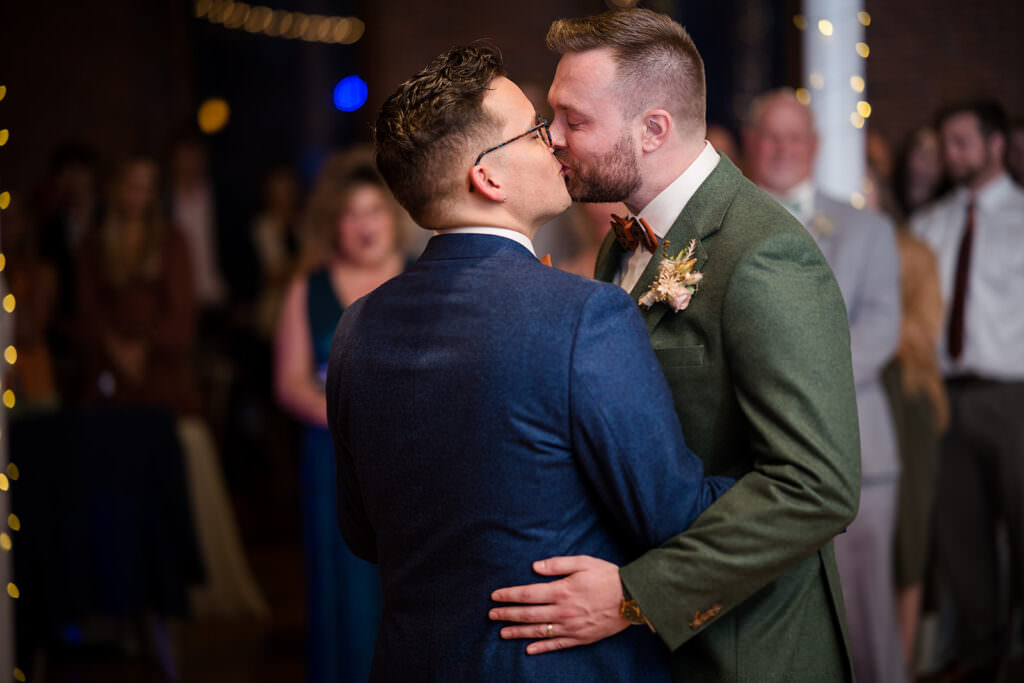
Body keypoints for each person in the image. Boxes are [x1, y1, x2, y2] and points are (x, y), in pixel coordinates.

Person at [327, 44, 733, 681]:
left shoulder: (357, 327)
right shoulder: (583, 315)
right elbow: (671, 516)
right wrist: (785, 484)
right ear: (488, 179)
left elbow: (362, 535)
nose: (556, 143)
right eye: (536, 131)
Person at [490, 9, 860, 682]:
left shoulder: (765, 253)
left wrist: (637, 595)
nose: (553, 138)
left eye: (575, 120)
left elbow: (816, 487)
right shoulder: (619, 244)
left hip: (748, 646)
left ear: (654, 129)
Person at [743, 88, 903, 683]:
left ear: (814, 146)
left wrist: (800, 381)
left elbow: (882, 329)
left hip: (860, 449)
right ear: (752, 142)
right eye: (771, 136)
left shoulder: (868, 229)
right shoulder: (723, 225)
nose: (782, 149)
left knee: (867, 618)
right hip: (752, 453)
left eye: (795, 137)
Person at [76, 156, 270, 622]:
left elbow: (182, 317)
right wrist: (113, 347)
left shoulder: (172, 240)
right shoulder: (94, 245)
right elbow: (87, 310)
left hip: (164, 382)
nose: (138, 197)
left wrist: (143, 347)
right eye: (131, 186)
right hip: (110, 386)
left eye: (146, 187)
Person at [274, 152, 402, 683]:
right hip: (333, 459)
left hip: (410, 454)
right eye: (351, 214)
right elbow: (289, 384)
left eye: (374, 210)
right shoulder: (308, 287)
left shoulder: (425, 276)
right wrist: (351, 421)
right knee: (342, 588)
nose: (364, 225)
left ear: (395, 216)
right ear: (333, 224)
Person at [910, 99, 1024, 682]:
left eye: (962, 142)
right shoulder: (930, 224)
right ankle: (979, 655)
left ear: (996, 144)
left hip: (1013, 399)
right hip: (946, 397)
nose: (951, 155)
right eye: (946, 143)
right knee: (961, 533)